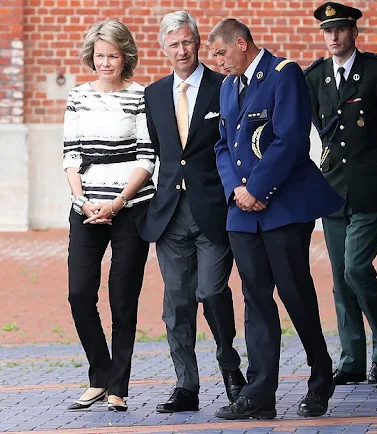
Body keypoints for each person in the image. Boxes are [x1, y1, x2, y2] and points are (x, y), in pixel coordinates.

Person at [206, 18, 343, 419]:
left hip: (282, 207)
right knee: (255, 298)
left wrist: (257, 189)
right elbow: (222, 144)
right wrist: (237, 190)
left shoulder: (284, 75)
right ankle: (259, 392)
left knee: (294, 293)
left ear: (242, 44)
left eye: (220, 53)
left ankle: (321, 377)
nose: (217, 62)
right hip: (243, 212)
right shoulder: (230, 86)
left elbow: (291, 139)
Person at [136, 11, 246, 413]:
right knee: (177, 302)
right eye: (173, 44)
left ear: (198, 43)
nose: (182, 50)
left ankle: (230, 364)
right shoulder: (153, 94)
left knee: (211, 291)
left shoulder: (226, 86)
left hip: (214, 209)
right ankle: (186, 385)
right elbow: (150, 152)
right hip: (168, 214)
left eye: (187, 42)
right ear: (163, 49)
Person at [304, 2, 377, 386]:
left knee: (356, 269)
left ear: (354, 33)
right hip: (332, 189)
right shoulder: (314, 77)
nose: (333, 37)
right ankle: (351, 360)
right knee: (339, 277)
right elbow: (319, 127)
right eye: (327, 31)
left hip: (369, 190)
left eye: (340, 30)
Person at [63, 20, 155, 412]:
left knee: (122, 299)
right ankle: (99, 374)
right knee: (79, 293)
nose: (105, 62)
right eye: (100, 55)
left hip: (130, 208)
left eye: (113, 55)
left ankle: (118, 386)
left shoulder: (140, 97)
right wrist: (83, 202)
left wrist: (116, 204)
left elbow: (147, 158)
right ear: (92, 57)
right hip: (85, 208)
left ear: (125, 57)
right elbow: (70, 155)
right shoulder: (77, 97)